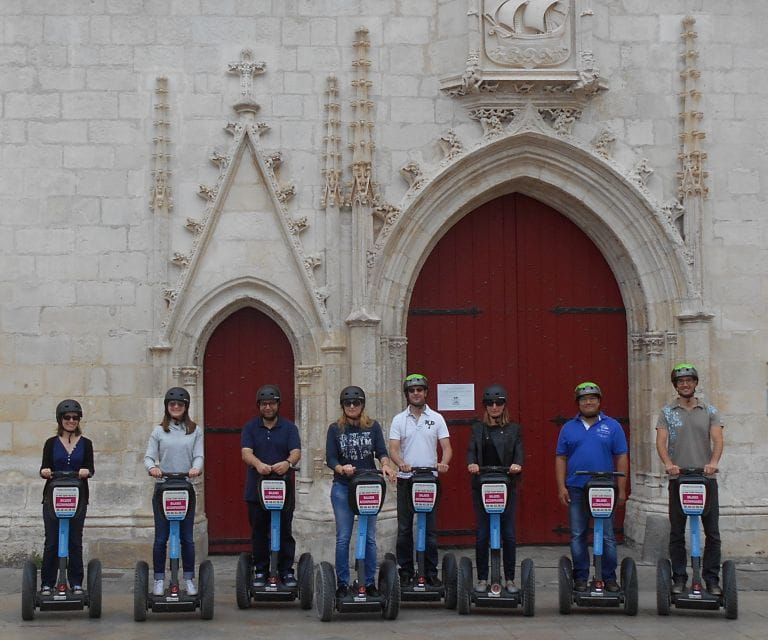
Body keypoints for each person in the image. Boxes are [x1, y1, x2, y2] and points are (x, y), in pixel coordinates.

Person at [656, 363, 724, 595]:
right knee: (677, 532)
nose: (685, 384)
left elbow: (718, 439)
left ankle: (712, 579)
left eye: (689, 380)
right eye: (681, 381)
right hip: (679, 478)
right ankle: (679, 578)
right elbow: (661, 442)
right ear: (675, 385)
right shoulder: (667, 412)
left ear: (695, 383)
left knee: (712, 532)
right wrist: (668, 464)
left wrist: (713, 463)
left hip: (705, 479)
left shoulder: (710, 411)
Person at [555, 382, 628, 592]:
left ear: (599, 401)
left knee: (606, 535)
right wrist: (562, 487)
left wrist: (621, 488)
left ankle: (608, 577)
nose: (588, 402)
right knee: (578, 534)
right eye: (584, 399)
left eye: (592, 398)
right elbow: (560, 458)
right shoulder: (568, 428)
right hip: (577, 487)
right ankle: (580, 577)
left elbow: (622, 456)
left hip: (604, 488)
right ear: (578, 403)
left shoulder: (612, 426)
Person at [326, 386, 396, 598]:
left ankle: (369, 582)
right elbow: (331, 458)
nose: (352, 406)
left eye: (356, 403)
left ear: (362, 405)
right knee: (344, 537)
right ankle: (342, 584)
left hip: (367, 486)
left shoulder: (373, 427)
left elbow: (382, 452)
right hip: (343, 487)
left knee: (369, 538)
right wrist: (341, 468)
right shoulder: (335, 429)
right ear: (343, 406)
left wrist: (385, 465)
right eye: (348, 403)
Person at [388, 373, 452, 587]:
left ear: (425, 392)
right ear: (407, 394)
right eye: (412, 390)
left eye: (420, 390)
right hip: (407, 479)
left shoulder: (437, 418)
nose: (416, 393)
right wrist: (400, 463)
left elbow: (447, 447)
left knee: (430, 530)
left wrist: (444, 462)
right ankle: (405, 571)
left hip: (429, 480)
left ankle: (430, 572)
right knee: (405, 528)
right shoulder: (399, 419)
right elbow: (394, 449)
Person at [144, 387, 204, 596]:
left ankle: (188, 578)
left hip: (185, 487)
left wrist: (196, 468)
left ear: (186, 406)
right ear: (167, 407)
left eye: (179, 404)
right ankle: (159, 579)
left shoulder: (195, 430)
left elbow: (199, 455)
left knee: (186, 537)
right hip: (164, 488)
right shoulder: (159, 431)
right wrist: (153, 468)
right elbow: (149, 457)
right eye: (172, 404)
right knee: (161, 538)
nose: (176, 407)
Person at [241, 384, 301, 588]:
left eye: (272, 403)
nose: (268, 407)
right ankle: (260, 570)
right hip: (256, 489)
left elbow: (295, 452)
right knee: (259, 531)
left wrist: (288, 463)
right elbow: (246, 453)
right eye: (264, 404)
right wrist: (258, 464)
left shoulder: (289, 427)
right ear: (259, 406)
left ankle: (285, 571)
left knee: (284, 530)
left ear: (278, 405)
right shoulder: (250, 427)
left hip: (282, 489)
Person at [466, 384, 523, 593]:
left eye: (498, 402)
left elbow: (519, 452)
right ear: (485, 406)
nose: (494, 406)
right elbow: (471, 450)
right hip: (482, 485)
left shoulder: (513, 429)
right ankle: (482, 578)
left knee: (508, 534)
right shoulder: (477, 429)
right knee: (482, 534)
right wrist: (472, 464)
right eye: (490, 403)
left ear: (504, 405)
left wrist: (517, 464)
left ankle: (509, 578)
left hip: (506, 485)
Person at [39, 399, 95, 596]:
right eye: (67, 417)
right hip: (53, 497)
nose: (71, 420)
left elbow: (91, 468)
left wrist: (86, 471)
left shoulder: (86, 443)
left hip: (78, 497)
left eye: (75, 417)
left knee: (74, 540)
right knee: (52, 541)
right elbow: (44, 467)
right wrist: (45, 471)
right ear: (60, 419)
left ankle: (76, 582)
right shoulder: (51, 443)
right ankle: (47, 582)